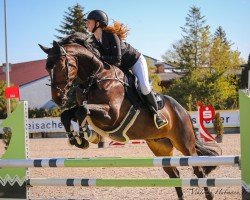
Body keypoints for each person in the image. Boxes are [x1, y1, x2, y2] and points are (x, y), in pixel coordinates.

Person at [86, 10, 167, 129]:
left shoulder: (110, 36)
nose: (86, 23)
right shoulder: (93, 40)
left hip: (135, 62)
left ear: (97, 24)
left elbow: (116, 59)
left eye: (89, 21)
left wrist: (98, 57)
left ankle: (157, 114)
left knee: (144, 87)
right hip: (122, 67)